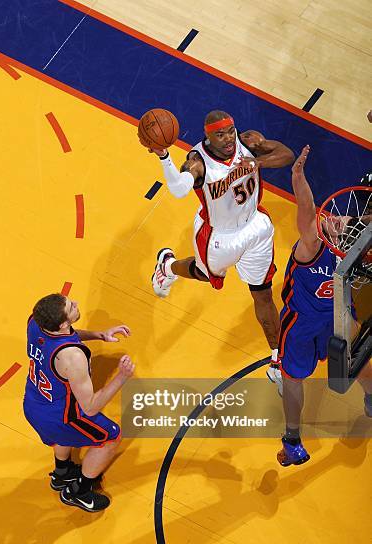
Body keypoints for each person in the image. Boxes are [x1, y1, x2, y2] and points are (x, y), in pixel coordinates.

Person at [142, 110, 295, 391]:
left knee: (262, 293)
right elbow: (178, 189)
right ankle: (167, 265)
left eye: (230, 132)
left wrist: (256, 162)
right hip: (218, 236)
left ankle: (278, 361)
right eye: (220, 135)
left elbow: (287, 155)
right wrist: (164, 157)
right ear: (208, 136)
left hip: (255, 228)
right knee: (202, 275)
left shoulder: (248, 142)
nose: (228, 139)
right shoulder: (198, 163)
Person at [277, 145, 372, 467]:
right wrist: (298, 177)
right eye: (332, 218)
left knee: (361, 363)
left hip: (337, 315)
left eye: (340, 220)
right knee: (293, 378)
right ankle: (291, 438)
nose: (334, 218)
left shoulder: (355, 247)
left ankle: (371, 399)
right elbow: (306, 211)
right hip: (301, 322)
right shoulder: (311, 245)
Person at [23, 293, 134, 512]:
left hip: (34, 402)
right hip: (60, 416)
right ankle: (78, 492)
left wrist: (99, 335)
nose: (76, 304)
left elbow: (68, 336)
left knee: (62, 437)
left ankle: (61, 473)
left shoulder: (36, 322)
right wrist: (121, 377)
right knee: (111, 437)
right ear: (64, 322)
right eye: (71, 306)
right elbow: (90, 407)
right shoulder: (73, 358)